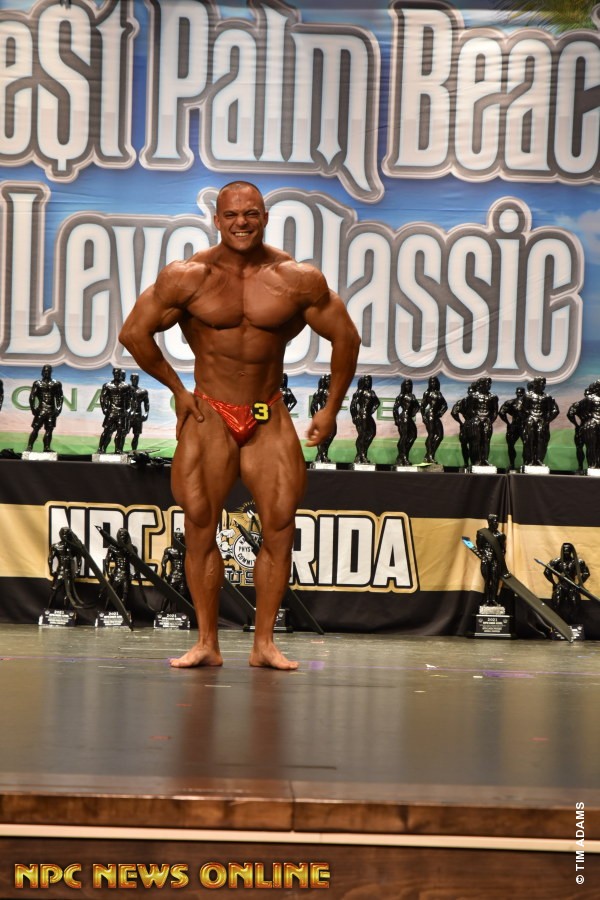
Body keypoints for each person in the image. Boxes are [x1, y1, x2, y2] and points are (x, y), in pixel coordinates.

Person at [119, 181, 360, 669]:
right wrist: (178, 390)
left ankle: (264, 644)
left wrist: (331, 408)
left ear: (265, 217)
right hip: (210, 412)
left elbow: (346, 338)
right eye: (231, 215)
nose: (241, 223)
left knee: (280, 525)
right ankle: (207, 642)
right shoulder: (189, 277)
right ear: (217, 220)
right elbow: (134, 333)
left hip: (267, 413)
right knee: (199, 525)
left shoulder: (296, 279)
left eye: (250, 213)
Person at [26, 365, 64, 452]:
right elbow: (32, 396)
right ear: (42, 372)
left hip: (51, 410)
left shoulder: (56, 383)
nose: (46, 372)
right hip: (41, 409)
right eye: (45, 371)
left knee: (49, 429)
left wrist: (59, 409)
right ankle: (29, 446)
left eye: (48, 371)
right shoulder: (37, 383)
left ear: (51, 372)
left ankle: (47, 447)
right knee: (36, 428)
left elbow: (60, 397)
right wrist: (33, 408)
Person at [97, 368, 132, 454]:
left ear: (121, 374)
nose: (117, 375)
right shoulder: (107, 385)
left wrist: (129, 410)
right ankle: (101, 448)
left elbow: (131, 400)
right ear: (113, 374)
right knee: (106, 431)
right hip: (111, 412)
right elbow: (102, 397)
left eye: (118, 374)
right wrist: (104, 408)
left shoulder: (126, 386)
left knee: (120, 432)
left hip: (122, 412)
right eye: (115, 374)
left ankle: (118, 449)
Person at [350, 375, 380, 464]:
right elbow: (353, 405)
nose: (368, 382)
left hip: (368, 415)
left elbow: (377, 402)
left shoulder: (372, 392)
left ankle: (361, 453)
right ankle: (362, 455)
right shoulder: (359, 392)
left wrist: (372, 410)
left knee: (372, 433)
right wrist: (354, 415)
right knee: (362, 435)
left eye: (369, 380)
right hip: (361, 415)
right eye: (366, 380)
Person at [393, 378, 420, 466]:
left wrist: (413, 412)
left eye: (410, 385)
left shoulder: (412, 396)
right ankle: (404, 457)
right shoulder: (401, 396)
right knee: (404, 437)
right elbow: (395, 408)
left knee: (413, 436)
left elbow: (417, 406)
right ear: (404, 386)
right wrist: (397, 419)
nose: (408, 386)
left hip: (409, 418)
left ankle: (402, 455)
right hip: (403, 417)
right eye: (407, 385)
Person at [421, 376, 447, 464]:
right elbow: (422, 406)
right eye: (431, 382)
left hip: (436, 415)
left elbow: (445, 405)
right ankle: (430, 455)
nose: (433, 383)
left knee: (440, 436)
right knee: (431, 434)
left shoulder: (439, 393)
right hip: (430, 415)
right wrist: (423, 416)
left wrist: (441, 412)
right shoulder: (427, 393)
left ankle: (429, 454)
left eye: (434, 382)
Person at [499, 387, 525, 469]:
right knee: (510, 445)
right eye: (518, 393)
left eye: (521, 393)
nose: (520, 395)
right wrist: (507, 423)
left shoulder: (529, 403)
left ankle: (525, 464)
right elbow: (501, 412)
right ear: (516, 393)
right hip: (515, 426)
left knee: (528, 445)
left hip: (525, 426)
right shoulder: (511, 402)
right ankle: (512, 464)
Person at [129, 373, 150, 451]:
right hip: (128, 415)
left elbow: (146, 403)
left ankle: (134, 451)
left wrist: (146, 413)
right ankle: (119, 450)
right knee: (122, 434)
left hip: (138, 416)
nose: (135, 380)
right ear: (131, 379)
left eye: (136, 379)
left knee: (136, 435)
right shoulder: (126, 390)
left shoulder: (143, 391)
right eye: (133, 379)